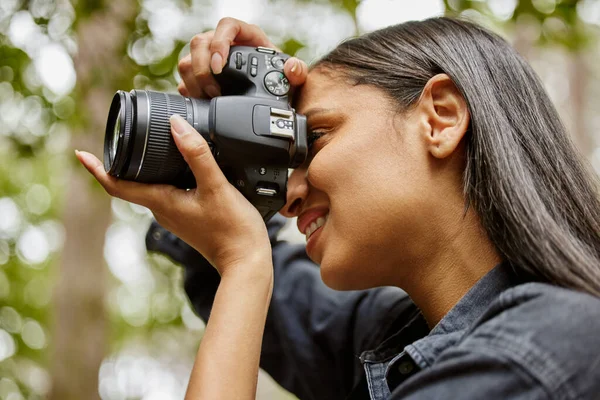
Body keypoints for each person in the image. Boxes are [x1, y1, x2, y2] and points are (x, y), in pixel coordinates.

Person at [76, 16, 600, 400]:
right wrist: (225, 137)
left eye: (316, 137)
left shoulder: (539, 354)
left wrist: (244, 263)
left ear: (439, 118)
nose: (288, 192)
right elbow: (280, 305)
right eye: (285, 151)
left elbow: (249, 268)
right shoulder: (396, 335)